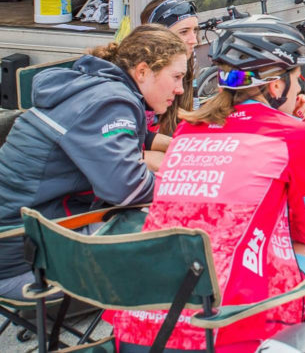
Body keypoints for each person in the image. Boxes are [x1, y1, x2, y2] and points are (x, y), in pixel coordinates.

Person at [113, 16, 305, 351]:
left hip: (143, 325)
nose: (301, 90)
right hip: (228, 328)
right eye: (297, 79)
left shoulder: (188, 128)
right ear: (276, 87)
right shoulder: (293, 135)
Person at [0, 25, 187, 300]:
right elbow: (128, 188)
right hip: (25, 260)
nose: (180, 89)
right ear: (143, 71)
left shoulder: (95, 86)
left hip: (20, 237)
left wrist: (181, 148)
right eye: (176, 76)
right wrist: (191, 184)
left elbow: (137, 135)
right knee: (175, 230)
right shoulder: (110, 101)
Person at [139, 0, 199, 172]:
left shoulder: (189, 63)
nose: (193, 40)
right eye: (183, 32)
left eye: (195, 30)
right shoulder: (140, 73)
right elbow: (123, 146)